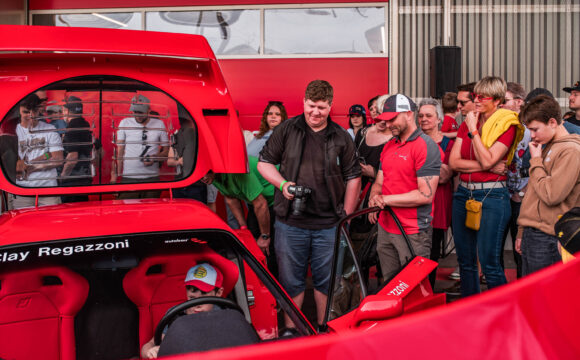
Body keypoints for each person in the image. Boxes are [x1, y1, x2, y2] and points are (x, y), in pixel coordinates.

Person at [258, 79, 361, 331]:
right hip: (290, 224)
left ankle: (323, 331)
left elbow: (353, 177)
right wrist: (284, 185)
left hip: (328, 225)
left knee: (327, 283)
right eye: (312, 105)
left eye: (322, 107)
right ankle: (292, 333)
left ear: (330, 106)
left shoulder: (340, 137)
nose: (316, 112)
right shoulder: (286, 129)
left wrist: (345, 218)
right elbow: (264, 164)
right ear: (304, 101)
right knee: (290, 282)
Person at [449, 76, 524, 297]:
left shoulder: (507, 124)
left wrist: (473, 132)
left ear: (498, 100)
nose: (477, 100)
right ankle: (470, 311)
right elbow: (454, 163)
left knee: (490, 262)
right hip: (464, 193)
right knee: (465, 261)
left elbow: (489, 160)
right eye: (476, 96)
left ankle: (499, 316)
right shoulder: (468, 121)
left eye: (482, 97)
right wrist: (487, 166)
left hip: (492, 197)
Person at [368, 94, 442, 282]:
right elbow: (379, 180)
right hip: (386, 227)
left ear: (409, 114)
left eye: (393, 119)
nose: (389, 124)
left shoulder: (425, 146)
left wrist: (385, 200)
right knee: (389, 285)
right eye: (386, 119)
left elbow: (425, 194)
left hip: (413, 231)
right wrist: (374, 196)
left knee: (413, 288)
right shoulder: (389, 146)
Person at [514, 95, 580, 276]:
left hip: (549, 236)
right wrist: (522, 229)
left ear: (552, 122)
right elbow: (532, 192)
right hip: (534, 232)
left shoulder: (571, 151)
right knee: (531, 299)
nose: (532, 136)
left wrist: (536, 162)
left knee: (542, 300)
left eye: (535, 129)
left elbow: (552, 195)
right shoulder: (546, 145)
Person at [140, 262, 225, 359]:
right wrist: (149, 351)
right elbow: (150, 344)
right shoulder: (175, 315)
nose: (196, 305)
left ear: (218, 293)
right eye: (192, 298)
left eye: (203, 299)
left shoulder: (226, 313)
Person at [417, 98, 454, 287]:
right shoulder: (413, 140)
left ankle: (428, 296)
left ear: (439, 119)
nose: (424, 119)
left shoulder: (448, 144)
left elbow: (445, 176)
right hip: (415, 205)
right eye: (421, 115)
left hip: (437, 205)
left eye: (428, 115)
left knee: (431, 255)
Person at [111, 94, 169, 198]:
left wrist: (154, 158)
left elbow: (167, 152)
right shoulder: (125, 123)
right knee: (128, 211)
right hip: (129, 177)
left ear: (148, 110)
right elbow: (119, 153)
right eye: (135, 112)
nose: (137, 115)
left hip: (152, 178)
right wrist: (114, 179)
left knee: (151, 212)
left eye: (141, 112)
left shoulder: (159, 124)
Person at [13, 93, 64, 209]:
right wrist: (46, 156)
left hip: (48, 190)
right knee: (22, 225)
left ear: (38, 111)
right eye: (26, 112)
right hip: (22, 191)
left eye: (34, 112)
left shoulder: (49, 129)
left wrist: (31, 166)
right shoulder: (13, 131)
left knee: (50, 224)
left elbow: (58, 159)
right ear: (19, 111)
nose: (30, 116)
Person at [499, 82, 528, 278]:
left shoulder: (530, 130)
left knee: (521, 251)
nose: (500, 105)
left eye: (505, 101)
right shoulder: (498, 128)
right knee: (494, 250)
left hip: (522, 199)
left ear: (519, 103)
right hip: (500, 196)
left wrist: (521, 193)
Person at [60, 96, 93, 203]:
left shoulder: (72, 128)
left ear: (67, 111)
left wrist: (62, 177)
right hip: (85, 177)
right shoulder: (86, 126)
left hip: (72, 180)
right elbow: (98, 152)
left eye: (63, 110)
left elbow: (72, 157)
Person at [167, 116, 206, 203]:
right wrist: (179, 161)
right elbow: (169, 161)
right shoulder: (175, 138)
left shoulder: (199, 137)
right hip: (183, 183)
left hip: (192, 183)